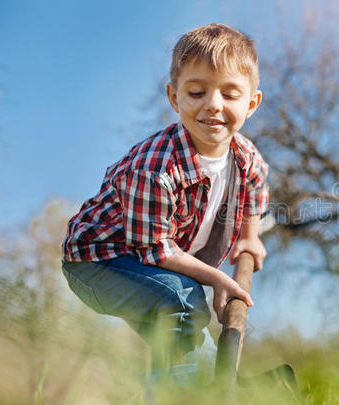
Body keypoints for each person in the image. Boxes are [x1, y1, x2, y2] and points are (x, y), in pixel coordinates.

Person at [60, 23, 269, 384]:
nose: (213, 105)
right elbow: (156, 251)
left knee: (196, 347)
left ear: (251, 103)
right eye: (197, 92)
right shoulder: (156, 169)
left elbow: (257, 183)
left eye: (230, 94)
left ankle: (199, 387)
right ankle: (166, 393)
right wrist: (219, 279)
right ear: (175, 98)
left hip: (146, 258)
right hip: (97, 262)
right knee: (184, 299)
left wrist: (249, 237)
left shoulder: (245, 155)